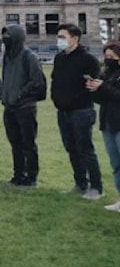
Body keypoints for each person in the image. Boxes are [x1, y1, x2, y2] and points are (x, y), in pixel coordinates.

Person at [52, 23, 103, 199]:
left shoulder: (87, 59)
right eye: (58, 37)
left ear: (74, 39)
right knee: (71, 148)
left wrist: (75, 100)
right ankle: (80, 183)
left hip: (81, 111)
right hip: (63, 111)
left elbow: (91, 86)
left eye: (62, 37)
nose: (59, 40)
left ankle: (96, 186)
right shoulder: (59, 58)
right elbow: (56, 81)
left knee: (85, 149)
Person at [0, 25, 47, 188]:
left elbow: (36, 81)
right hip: (10, 106)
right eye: (4, 35)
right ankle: (18, 174)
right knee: (15, 142)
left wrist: (20, 94)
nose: (5, 38)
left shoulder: (29, 57)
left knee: (28, 143)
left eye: (8, 35)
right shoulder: (7, 56)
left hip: (25, 106)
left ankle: (31, 176)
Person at [87, 42, 120, 211]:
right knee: (116, 164)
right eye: (106, 57)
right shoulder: (107, 74)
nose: (108, 60)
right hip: (108, 123)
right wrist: (95, 89)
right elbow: (102, 99)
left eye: (112, 57)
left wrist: (103, 87)